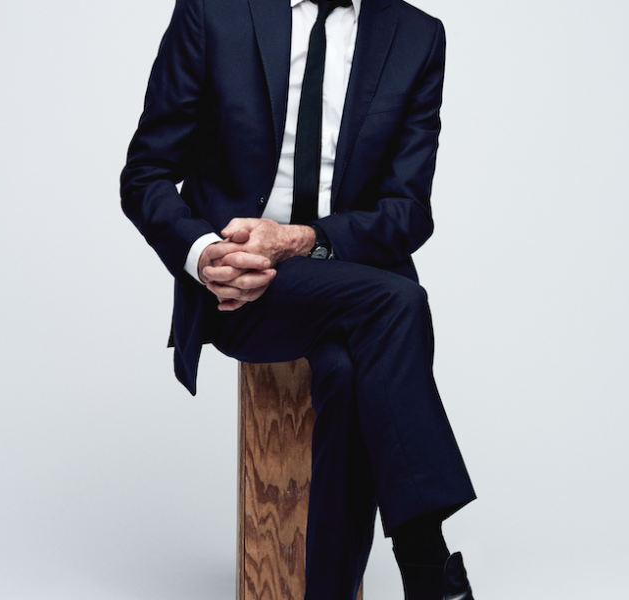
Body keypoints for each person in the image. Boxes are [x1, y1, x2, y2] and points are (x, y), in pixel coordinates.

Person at [120, 0, 476, 598]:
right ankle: (424, 560)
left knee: (348, 367)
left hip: (350, 273)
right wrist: (204, 255)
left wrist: (305, 240)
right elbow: (146, 174)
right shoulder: (213, 11)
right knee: (400, 303)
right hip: (245, 286)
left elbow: (409, 210)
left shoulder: (417, 36)